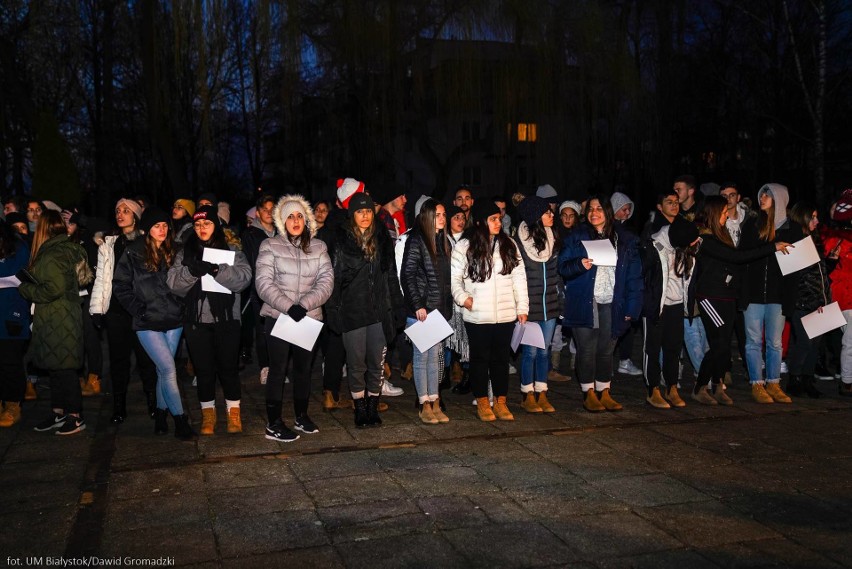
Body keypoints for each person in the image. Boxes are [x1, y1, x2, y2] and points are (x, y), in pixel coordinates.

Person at [689, 196, 790, 405]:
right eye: (724, 212)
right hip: (711, 297)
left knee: (724, 345)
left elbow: (735, 262)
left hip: (727, 296)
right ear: (715, 213)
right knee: (718, 345)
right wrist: (773, 247)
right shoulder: (705, 239)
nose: (727, 215)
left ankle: (717, 387)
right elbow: (737, 258)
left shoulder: (722, 235)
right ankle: (699, 388)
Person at [167, 205, 252, 435]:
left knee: (228, 369)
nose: (202, 228)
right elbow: (173, 284)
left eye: (207, 223)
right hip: (196, 321)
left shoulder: (232, 250)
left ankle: (233, 413)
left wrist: (217, 270)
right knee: (204, 371)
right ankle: (208, 414)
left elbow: (243, 279)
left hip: (226, 320)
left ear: (216, 225)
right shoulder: (185, 252)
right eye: (197, 224)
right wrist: (192, 272)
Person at [255, 195, 334, 441]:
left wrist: (305, 304)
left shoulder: (319, 247)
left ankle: (301, 416)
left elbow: (326, 280)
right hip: (279, 317)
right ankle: (274, 423)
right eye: (290, 216)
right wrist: (289, 306)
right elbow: (263, 283)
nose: (295, 220)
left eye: (300, 215)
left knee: (303, 369)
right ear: (282, 220)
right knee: (278, 370)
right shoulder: (269, 246)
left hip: (308, 318)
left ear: (307, 219)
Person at [113, 207, 196, 440]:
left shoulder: (177, 250)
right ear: (147, 229)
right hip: (147, 322)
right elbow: (120, 285)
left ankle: (160, 415)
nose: (162, 229)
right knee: (169, 369)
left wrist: (182, 306)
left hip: (173, 319)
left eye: (165, 225)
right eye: (156, 225)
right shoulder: (133, 252)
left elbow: (185, 281)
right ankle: (180, 420)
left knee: (163, 371)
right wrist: (138, 309)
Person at [326, 193, 405, 427]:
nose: (365, 215)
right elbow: (334, 278)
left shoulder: (381, 238)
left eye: (368, 211)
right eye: (360, 211)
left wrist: (397, 306)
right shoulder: (341, 241)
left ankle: (373, 405)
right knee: (356, 363)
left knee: (376, 363)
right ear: (352, 215)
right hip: (353, 312)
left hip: (379, 312)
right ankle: (359, 407)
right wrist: (333, 310)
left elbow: (390, 274)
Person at [559, 195, 643, 412]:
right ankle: (588, 392)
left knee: (606, 349)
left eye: (599, 208)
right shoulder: (576, 237)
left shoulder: (624, 240)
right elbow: (563, 267)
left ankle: (604, 390)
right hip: (586, 300)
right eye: (590, 209)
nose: (594, 212)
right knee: (586, 349)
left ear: (607, 212)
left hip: (613, 301)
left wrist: (632, 307)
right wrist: (579, 264)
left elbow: (634, 276)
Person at [451, 201, 529, 422]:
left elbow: (519, 278)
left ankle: (501, 401)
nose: (498, 222)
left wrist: (522, 307)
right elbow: (455, 279)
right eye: (493, 219)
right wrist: (464, 299)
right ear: (480, 222)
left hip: (505, 313)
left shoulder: (509, 244)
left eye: (499, 218)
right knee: (480, 359)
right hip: (478, 314)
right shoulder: (465, 245)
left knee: (500, 360)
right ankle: (483, 402)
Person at [19, 211, 89, 435]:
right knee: (56, 366)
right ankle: (59, 412)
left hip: (57, 316)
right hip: (62, 314)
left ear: (43, 228)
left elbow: (53, 288)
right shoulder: (68, 248)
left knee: (65, 368)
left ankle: (75, 416)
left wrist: (25, 288)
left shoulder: (52, 254)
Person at [90, 198, 158, 423]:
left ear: (136, 215)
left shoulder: (147, 241)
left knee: (146, 359)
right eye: (118, 210)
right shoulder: (108, 244)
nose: (120, 214)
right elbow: (102, 278)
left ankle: (153, 402)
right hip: (116, 311)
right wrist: (97, 309)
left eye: (126, 211)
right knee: (119, 360)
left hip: (141, 309)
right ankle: (119, 406)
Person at [740, 184, 799, 404]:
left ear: (780, 198)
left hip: (778, 295)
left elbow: (797, 268)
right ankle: (757, 384)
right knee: (753, 341)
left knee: (775, 342)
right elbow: (744, 256)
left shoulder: (793, 229)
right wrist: (772, 247)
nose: (762, 197)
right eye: (761, 194)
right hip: (753, 295)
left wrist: (790, 299)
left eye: (768, 194)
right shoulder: (752, 226)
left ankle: (774, 383)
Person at [400, 199, 453, 423]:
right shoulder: (416, 239)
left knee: (435, 358)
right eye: (438, 214)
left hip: (438, 310)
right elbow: (408, 274)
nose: (442, 218)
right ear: (427, 216)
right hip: (421, 311)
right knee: (421, 359)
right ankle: (424, 405)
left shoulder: (442, 240)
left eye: (444, 214)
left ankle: (435, 401)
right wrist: (417, 305)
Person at [641, 217, 699, 409]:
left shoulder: (686, 245)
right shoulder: (654, 247)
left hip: (676, 305)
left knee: (673, 348)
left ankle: (671, 387)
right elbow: (645, 278)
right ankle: (653, 389)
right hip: (657, 306)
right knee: (652, 347)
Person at [514, 196, 561, 413]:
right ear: (535, 217)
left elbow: (558, 274)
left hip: (550, 305)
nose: (552, 215)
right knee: (530, 352)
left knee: (545, 351)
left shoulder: (554, 237)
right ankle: (527, 393)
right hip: (529, 307)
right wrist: (520, 307)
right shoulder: (518, 243)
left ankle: (542, 392)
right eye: (547, 212)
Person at [785, 202, 829, 398]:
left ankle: (807, 379)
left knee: (814, 345)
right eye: (813, 216)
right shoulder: (795, 242)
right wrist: (813, 299)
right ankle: (794, 379)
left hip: (818, 302)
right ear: (802, 218)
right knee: (804, 342)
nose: (817, 221)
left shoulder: (812, 240)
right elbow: (797, 278)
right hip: (803, 302)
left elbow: (816, 275)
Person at [241, 194, 278, 385]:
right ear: (258, 212)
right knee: (263, 329)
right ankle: (265, 367)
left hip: (281, 288)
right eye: (265, 209)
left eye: (272, 209)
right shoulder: (250, 234)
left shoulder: (281, 232)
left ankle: (278, 367)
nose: (269, 213)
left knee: (279, 328)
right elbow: (248, 261)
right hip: (260, 289)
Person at [821, 189, 852, 397]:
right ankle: (847, 382)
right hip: (844, 297)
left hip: (844, 295)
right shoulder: (836, 239)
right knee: (849, 341)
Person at [0, 220, 30, 427]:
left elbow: (22, 276)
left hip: (12, 313)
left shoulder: (18, 248)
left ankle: (12, 404)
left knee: (10, 361)